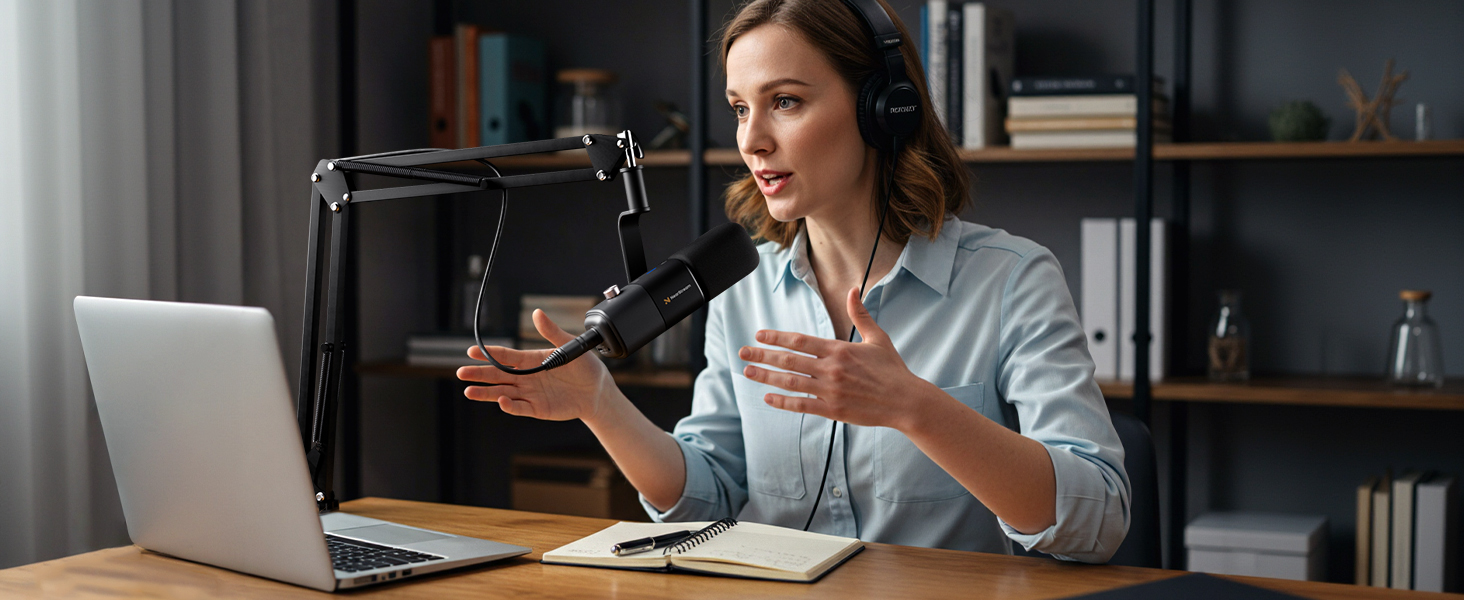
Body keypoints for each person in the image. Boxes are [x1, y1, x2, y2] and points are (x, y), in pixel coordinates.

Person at [458, 0, 1129, 563]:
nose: (753, 140)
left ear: (881, 110)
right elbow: (709, 497)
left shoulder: (1012, 281)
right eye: (740, 108)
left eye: (784, 101)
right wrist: (599, 405)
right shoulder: (741, 289)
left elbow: (1098, 522)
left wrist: (915, 408)